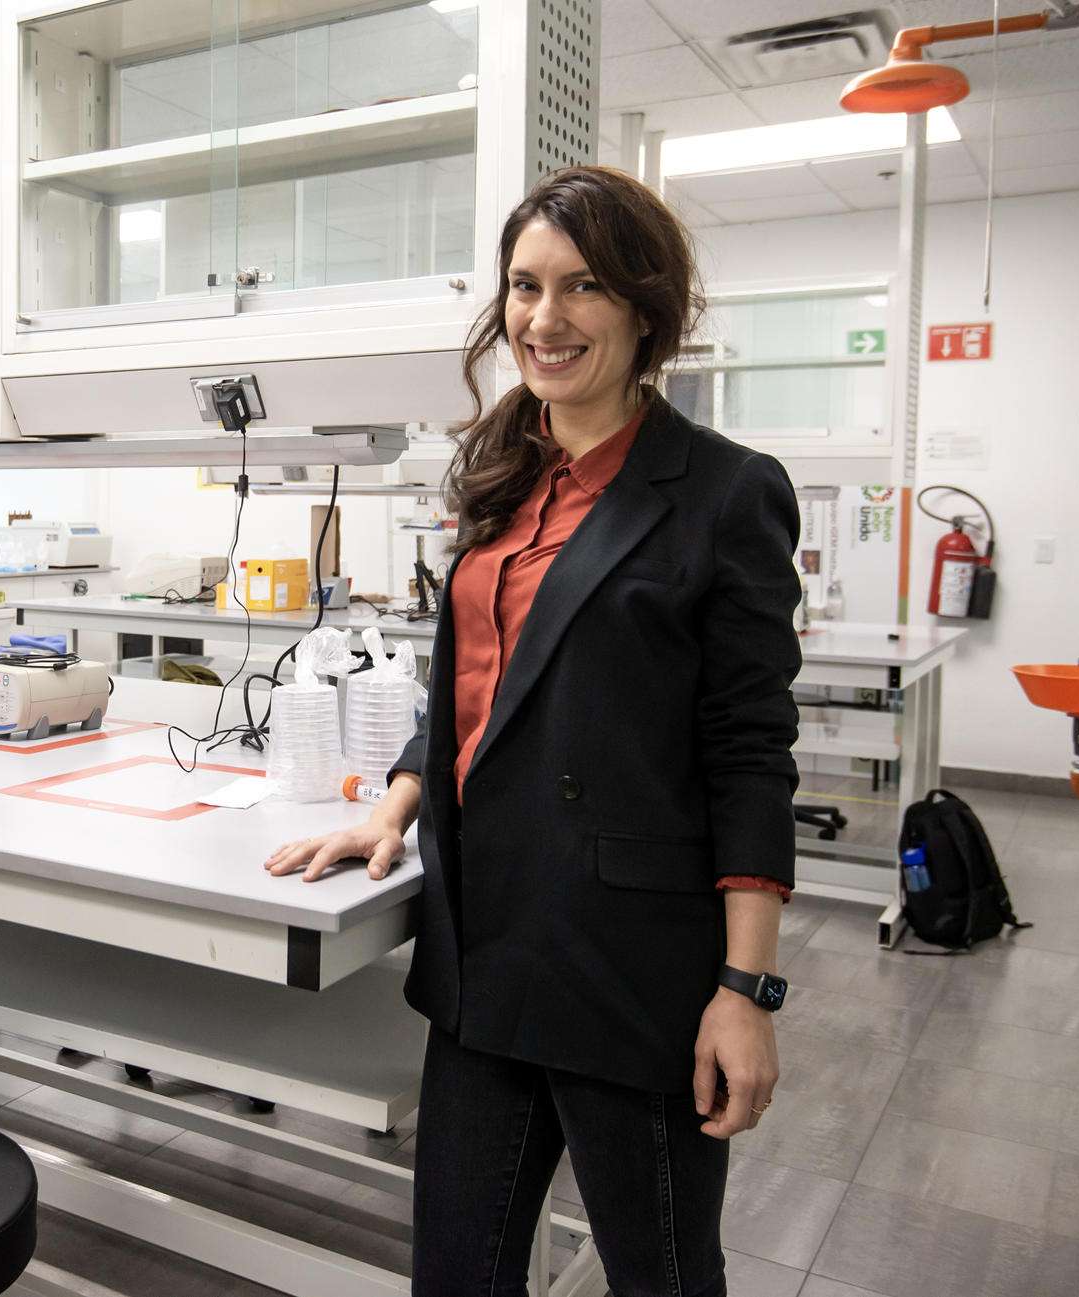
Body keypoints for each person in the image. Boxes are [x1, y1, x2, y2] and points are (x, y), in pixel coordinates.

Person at [264, 166, 802, 1297]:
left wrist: (745, 994)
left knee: (659, 1277)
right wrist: (400, 797)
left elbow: (750, 748)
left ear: (645, 309)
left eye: (583, 286)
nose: (544, 319)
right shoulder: (503, 473)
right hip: (484, 947)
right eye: (524, 286)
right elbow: (480, 688)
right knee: (457, 1278)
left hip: (628, 967)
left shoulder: (722, 492)